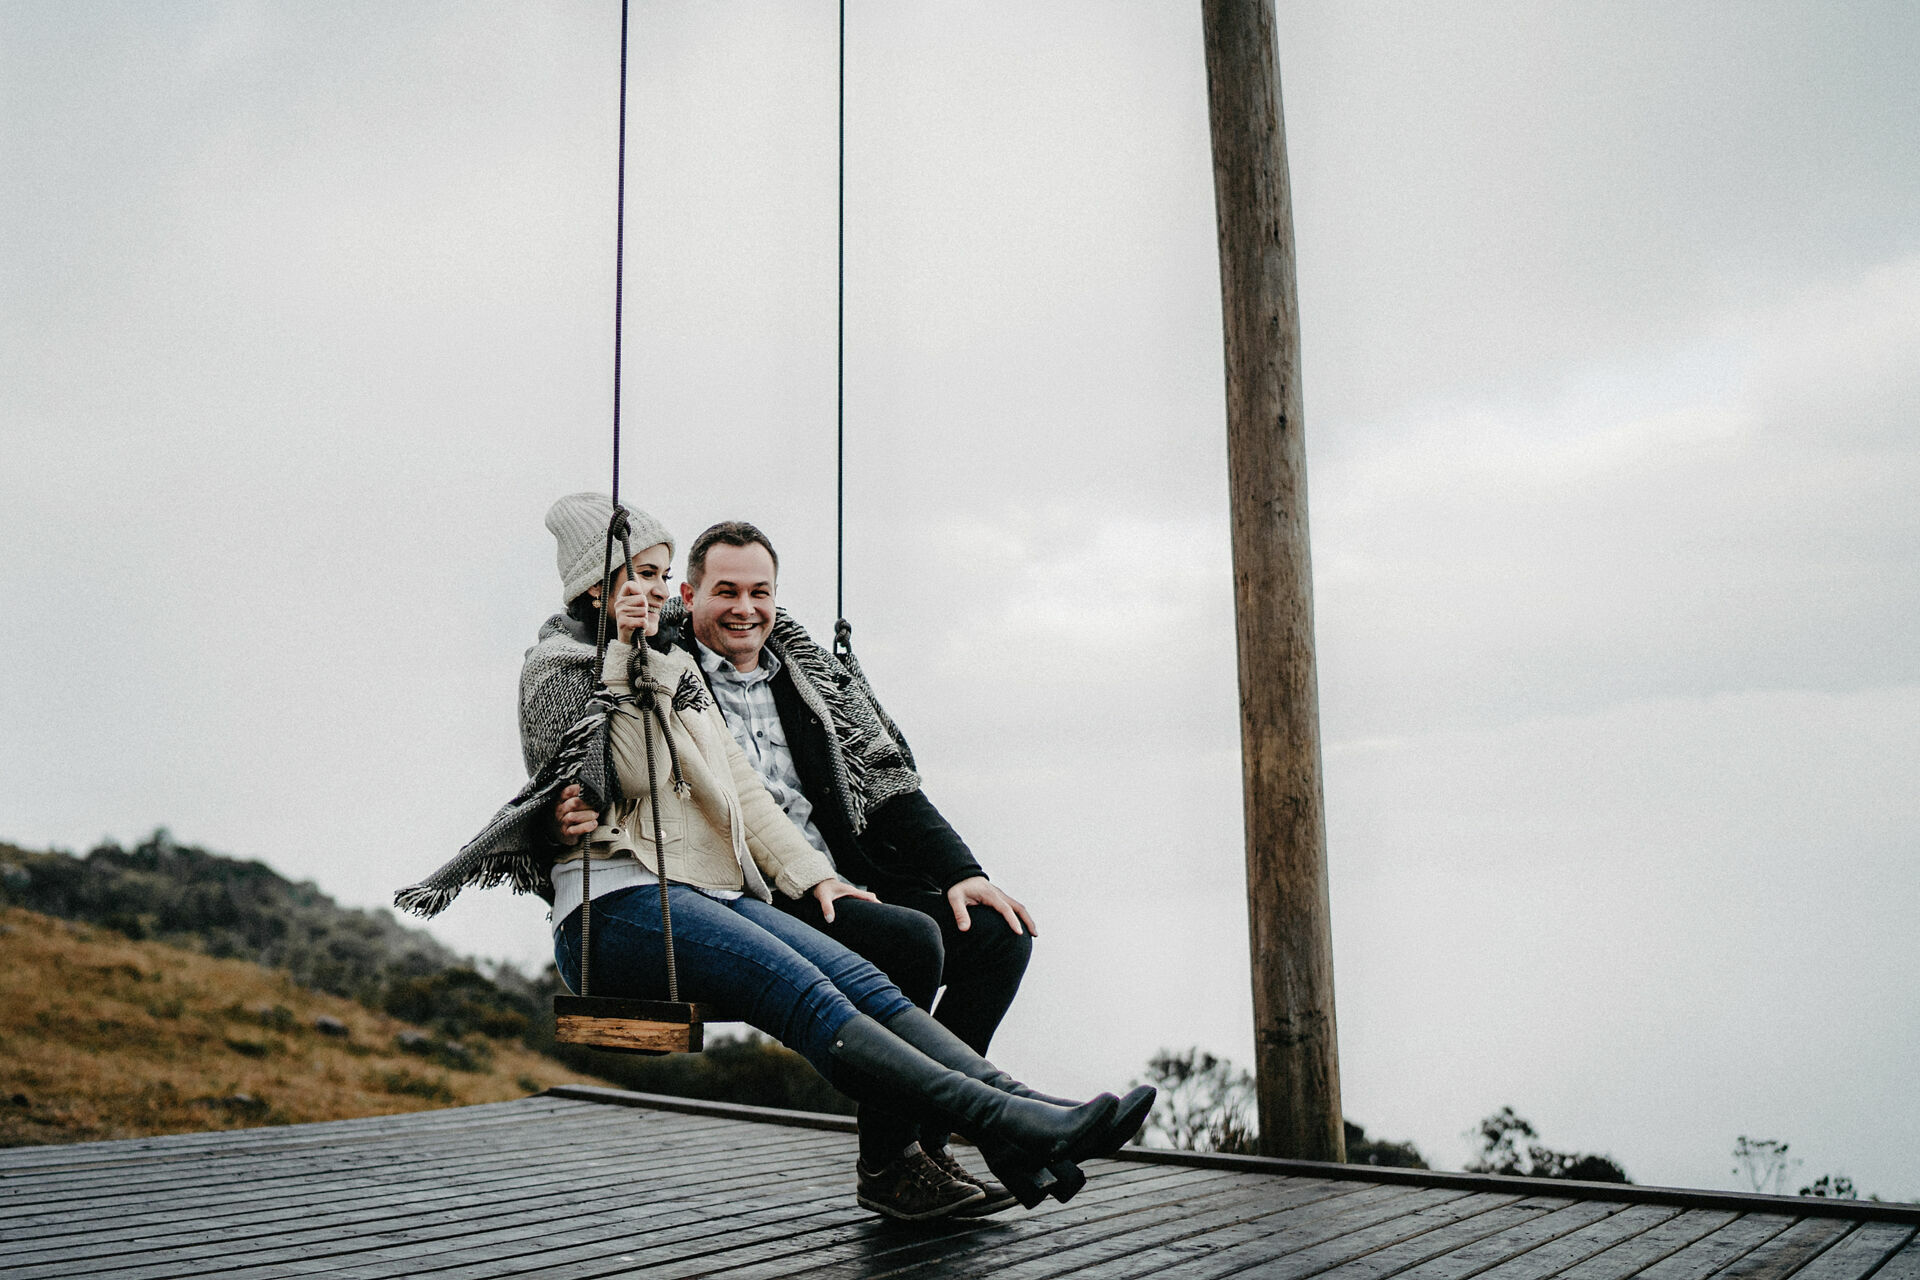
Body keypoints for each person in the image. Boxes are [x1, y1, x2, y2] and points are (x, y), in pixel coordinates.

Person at [396, 493, 1151, 1222]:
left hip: (712, 894)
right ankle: (998, 1127)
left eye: (662, 578)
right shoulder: (564, 665)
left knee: (867, 977)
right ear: (599, 589)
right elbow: (611, 773)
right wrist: (625, 657)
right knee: (813, 990)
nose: (659, 596)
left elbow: (747, 798)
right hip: (618, 906)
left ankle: (1023, 1110)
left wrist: (823, 878)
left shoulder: (677, 668)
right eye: (648, 579)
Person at [560, 519, 1040, 1217]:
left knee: (998, 934)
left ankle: (928, 1142)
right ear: (688, 595)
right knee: (907, 941)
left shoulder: (809, 679)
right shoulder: (664, 666)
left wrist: (962, 870)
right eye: (725, 592)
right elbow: (595, 720)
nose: (745, 609)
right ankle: (889, 1163)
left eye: (760, 592)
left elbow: (889, 784)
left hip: (836, 875)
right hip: (752, 885)